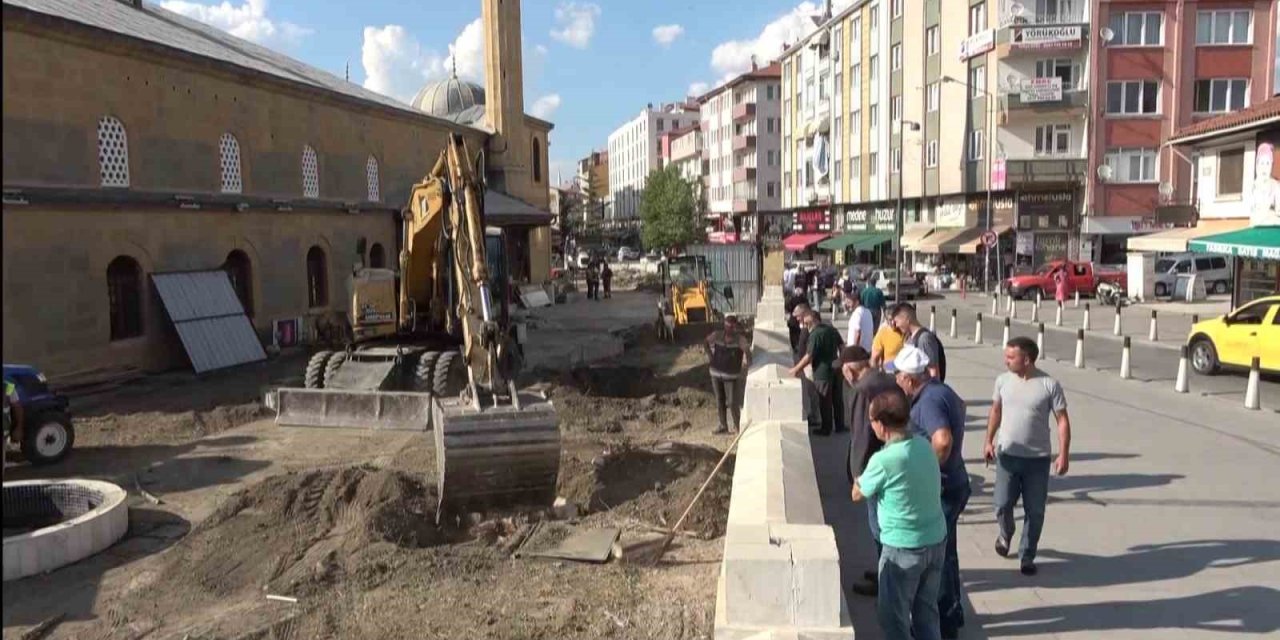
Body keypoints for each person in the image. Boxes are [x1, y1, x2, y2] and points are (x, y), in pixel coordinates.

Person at [850, 389, 947, 640]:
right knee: (926, 614)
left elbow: (857, 494)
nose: (870, 426)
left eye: (871, 421)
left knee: (893, 619)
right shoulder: (924, 445)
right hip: (935, 542)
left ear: (882, 425)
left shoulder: (884, 460)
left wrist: (859, 477)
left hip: (903, 550)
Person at [894, 346, 969, 639]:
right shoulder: (941, 391)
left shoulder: (928, 401)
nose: (896, 381)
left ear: (910, 379)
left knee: (938, 558)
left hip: (944, 488)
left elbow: (942, 440)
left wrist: (928, 474)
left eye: (898, 376)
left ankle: (945, 624)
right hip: (955, 481)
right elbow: (961, 408)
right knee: (947, 553)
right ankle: (952, 614)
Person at [984, 337, 1071, 576]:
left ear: (1027, 359)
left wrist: (1063, 454)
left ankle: (1027, 555)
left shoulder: (1049, 385)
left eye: (1011, 357)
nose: (1006, 361)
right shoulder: (1002, 381)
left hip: (1037, 460)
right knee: (1002, 504)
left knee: (1035, 511)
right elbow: (996, 411)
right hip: (1007, 456)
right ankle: (1006, 533)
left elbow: (1062, 420)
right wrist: (988, 440)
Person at [841, 345, 902, 597]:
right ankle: (882, 570)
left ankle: (884, 579)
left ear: (849, 370)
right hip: (894, 456)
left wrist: (858, 475)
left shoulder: (861, 390)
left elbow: (860, 435)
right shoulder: (886, 380)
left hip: (873, 466)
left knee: (878, 527)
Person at [790, 309, 841, 436]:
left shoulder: (815, 335)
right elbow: (842, 347)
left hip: (821, 371)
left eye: (806, 323)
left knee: (824, 400)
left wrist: (796, 369)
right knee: (837, 399)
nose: (805, 326)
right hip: (835, 368)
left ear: (811, 321)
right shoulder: (831, 330)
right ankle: (840, 425)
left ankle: (826, 428)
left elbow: (809, 356)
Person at [705, 315, 752, 435]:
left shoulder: (740, 339)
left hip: (731, 376)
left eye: (731, 327)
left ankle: (738, 426)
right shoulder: (717, 335)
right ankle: (723, 425)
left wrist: (749, 367)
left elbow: (747, 351)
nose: (729, 329)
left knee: (732, 402)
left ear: (735, 327)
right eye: (727, 326)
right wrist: (710, 355)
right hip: (715, 373)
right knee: (719, 400)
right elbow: (706, 342)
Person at [891, 303, 947, 382]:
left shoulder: (924, 338)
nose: (896, 325)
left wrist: (933, 387)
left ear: (907, 319)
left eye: (897, 321)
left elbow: (933, 370)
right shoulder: (909, 337)